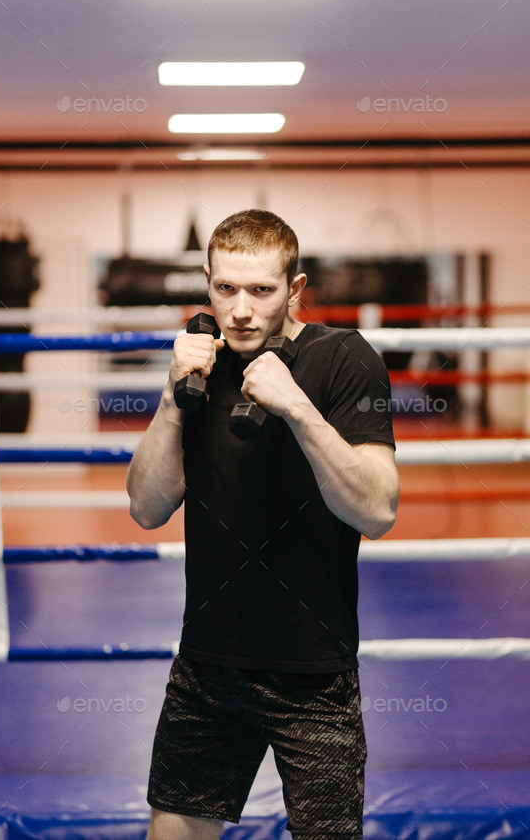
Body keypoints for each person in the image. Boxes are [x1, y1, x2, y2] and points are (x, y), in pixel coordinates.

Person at [127, 209, 399, 840]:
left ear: (295, 288)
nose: (241, 310)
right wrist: (171, 399)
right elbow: (146, 508)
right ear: (207, 282)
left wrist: (297, 408)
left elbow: (377, 510)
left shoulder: (344, 361)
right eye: (226, 289)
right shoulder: (198, 366)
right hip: (208, 664)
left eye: (262, 291)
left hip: (314, 673)